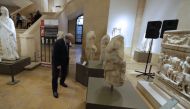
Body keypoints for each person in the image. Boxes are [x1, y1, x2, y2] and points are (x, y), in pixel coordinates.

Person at [52, 31, 73, 98]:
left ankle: (61, 82)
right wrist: (58, 65)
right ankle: (54, 91)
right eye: (70, 40)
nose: (70, 42)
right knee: (55, 77)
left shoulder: (66, 42)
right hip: (57, 63)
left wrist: (67, 57)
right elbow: (54, 55)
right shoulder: (58, 43)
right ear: (67, 39)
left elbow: (64, 51)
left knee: (64, 73)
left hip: (64, 62)